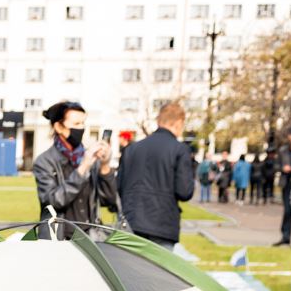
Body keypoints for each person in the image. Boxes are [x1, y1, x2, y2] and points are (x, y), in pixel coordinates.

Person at [116, 101, 194, 249]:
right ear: (179, 122)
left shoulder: (132, 149)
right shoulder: (180, 150)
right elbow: (184, 191)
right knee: (156, 271)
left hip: (132, 219)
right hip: (162, 223)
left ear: (159, 121)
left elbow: (119, 186)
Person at [32, 101, 115, 236]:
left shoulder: (90, 157)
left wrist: (105, 166)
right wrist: (83, 168)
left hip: (90, 238)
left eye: (83, 123)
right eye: (76, 124)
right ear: (59, 127)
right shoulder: (44, 161)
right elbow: (54, 201)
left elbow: (110, 201)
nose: (81, 128)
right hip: (58, 239)